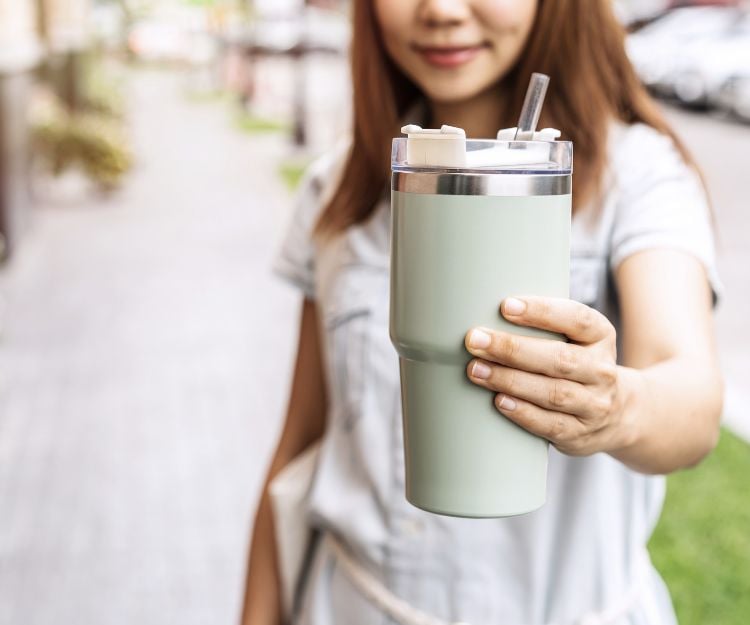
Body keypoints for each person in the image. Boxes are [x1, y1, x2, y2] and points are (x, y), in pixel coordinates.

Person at [241, 1, 724, 624]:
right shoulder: (336, 190)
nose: (440, 11)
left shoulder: (637, 176)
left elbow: (693, 399)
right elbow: (300, 441)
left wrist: (617, 406)